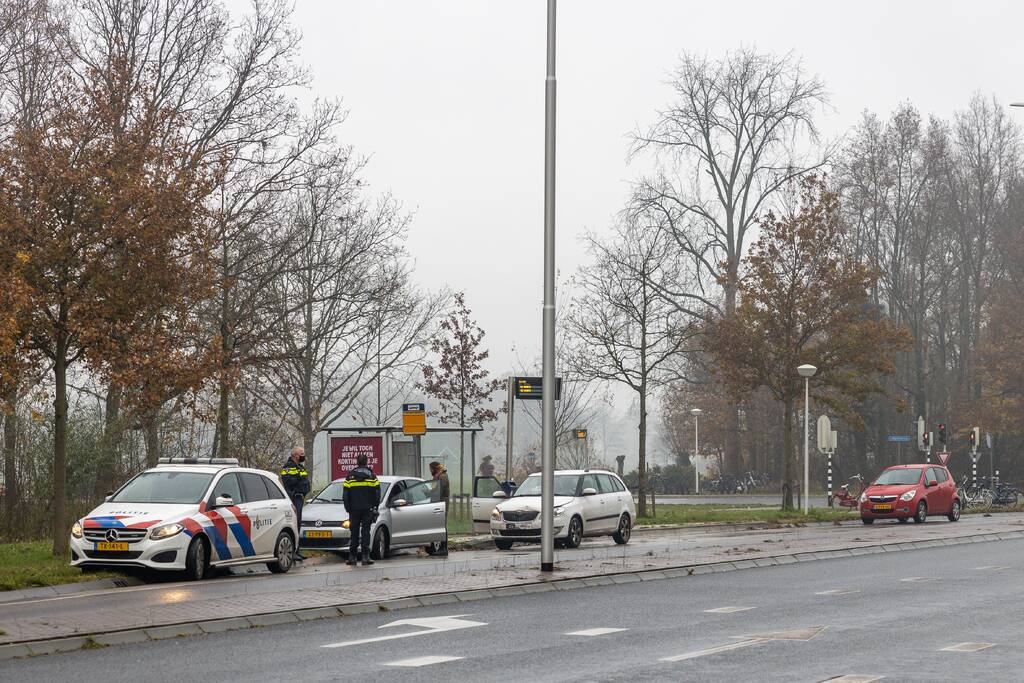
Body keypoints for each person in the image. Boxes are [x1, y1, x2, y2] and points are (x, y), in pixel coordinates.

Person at [342, 454, 381, 566]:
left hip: (354, 509)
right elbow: (377, 494)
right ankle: (365, 557)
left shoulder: (350, 476)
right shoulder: (372, 476)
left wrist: (347, 508)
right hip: (367, 509)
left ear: (357, 462)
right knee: (365, 532)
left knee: (354, 533)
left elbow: (345, 495)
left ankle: (352, 557)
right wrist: (375, 507)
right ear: (366, 462)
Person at [280, 446, 309, 561]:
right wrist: (300, 483)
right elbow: (289, 481)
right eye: (302, 453)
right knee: (294, 524)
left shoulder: (300, 467)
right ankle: (293, 552)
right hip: (293, 498)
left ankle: (297, 549)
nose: (303, 455)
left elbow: (305, 482)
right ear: (295, 455)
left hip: (300, 498)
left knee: (298, 525)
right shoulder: (288, 467)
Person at [428, 461, 450, 557]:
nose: (430, 471)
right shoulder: (438, 476)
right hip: (439, 503)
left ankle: (443, 548)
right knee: (437, 525)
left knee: (442, 525)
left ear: (435, 468)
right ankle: (434, 547)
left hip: (441, 504)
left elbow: (438, 491)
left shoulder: (442, 477)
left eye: (431, 469)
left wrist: (428, 493)